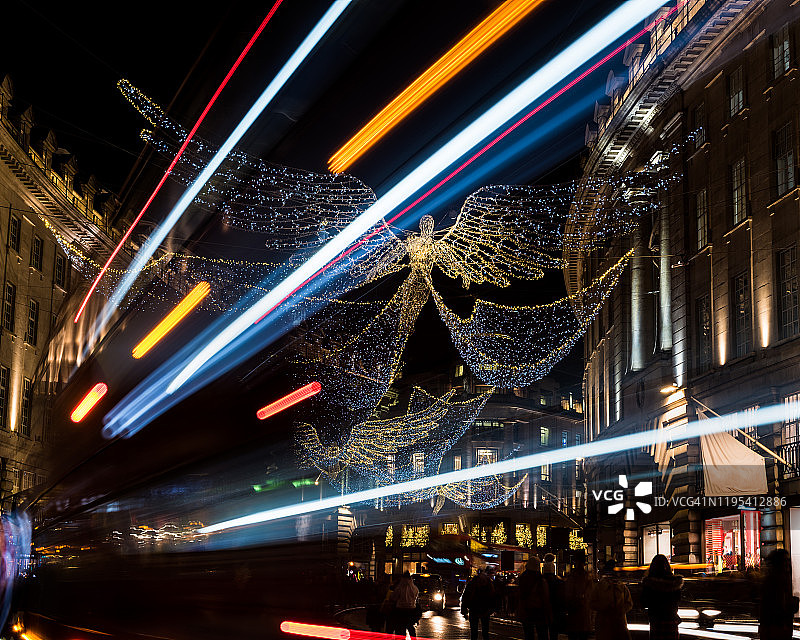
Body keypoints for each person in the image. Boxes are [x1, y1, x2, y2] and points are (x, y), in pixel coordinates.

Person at [760, 549, 799, 640]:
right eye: (785, 561)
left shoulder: (782, 580)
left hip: (780, 627)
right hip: (776, 628)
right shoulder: (774, 582)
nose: (788, 563)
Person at [640, 554, 682, 640]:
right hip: (671, 620)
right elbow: (678, 599)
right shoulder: (675, 583)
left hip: (656, 621)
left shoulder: (649, 583)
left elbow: (644, 602)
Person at [589, 560, 632, 640]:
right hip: (605, 624)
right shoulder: (600, 586)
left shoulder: (621, 586)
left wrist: (620, 610)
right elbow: (592, 603)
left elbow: (629, 603)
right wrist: (604, 607)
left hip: (618, 623)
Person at [517, 557, 551, 640]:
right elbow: (545, 596)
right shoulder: (540, 580)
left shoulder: (522, 578)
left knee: (528, 634)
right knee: (542, 633)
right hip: (539, 610)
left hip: (526, 610)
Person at [564, 552, 594, 640]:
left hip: (574, 612)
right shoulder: (587, 576)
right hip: (584, 612)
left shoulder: (572, 576)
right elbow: (590, 595)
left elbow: (568, 593)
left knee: (574, 635)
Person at [461, 568, 496, 640]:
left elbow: (465, 597)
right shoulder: (489, 584)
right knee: (485, 630)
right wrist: (493, 608)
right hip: (485, 609)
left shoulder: (472, 583)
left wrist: (464, 610)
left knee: (474, 631)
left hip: (474, 608)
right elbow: (493, 596)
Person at [391, 571, 420, 639]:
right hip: (411, 609)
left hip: (400, 609)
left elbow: (394, 597)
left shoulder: (400, 587)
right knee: (410, 627)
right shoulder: (414, 588)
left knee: (400, 627)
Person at [542, 554, 564, 640]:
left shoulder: (540, 581)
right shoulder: (558, 581)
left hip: (543, 609)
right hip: (555, 609)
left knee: (543, 632)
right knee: (554, 632)